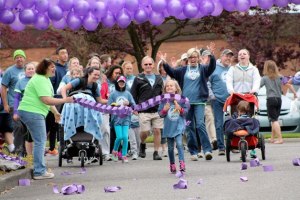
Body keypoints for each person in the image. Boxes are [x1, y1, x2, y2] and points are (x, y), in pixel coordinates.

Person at [18, 58, 73, 180]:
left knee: (39, 140)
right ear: (44, 68)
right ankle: (39, 171)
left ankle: (39, 168)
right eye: (51, 67)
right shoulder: (40, 79)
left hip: (34, 111)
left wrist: (55, 113)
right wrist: (65, 100)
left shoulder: (45, 80)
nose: (54, 69)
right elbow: (46, 100)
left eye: (54, 66)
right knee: (40, 140)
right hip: (32, 111)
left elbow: (48, 101)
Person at [160, 46, 216, 161]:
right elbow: (172, 72)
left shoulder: (203, 69)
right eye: (191, 57)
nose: (193, 59)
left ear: (198, 58)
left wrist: (212, 56)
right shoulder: (183, 70)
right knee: (189, 126)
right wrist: (165, 63)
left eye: (195, 57)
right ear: (188, 59)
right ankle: (193, 152)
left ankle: (207, 150)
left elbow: (212, 67)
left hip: (199, 102)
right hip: (186, 103)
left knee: (200, 124)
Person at [226, 49, 261, 158]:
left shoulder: (253, 69)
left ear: (248, 56)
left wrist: (254, 90)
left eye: (244, 54)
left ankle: (253, 146)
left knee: (252, 119)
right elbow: (228, 80)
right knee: (235, 118)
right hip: (236, 98)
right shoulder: (233, 69)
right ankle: (236, 141)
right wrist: (231, 90)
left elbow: (257, 81)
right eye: (240, 54)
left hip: (249, 97)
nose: (242, 55)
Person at [131, 56, 164, 160]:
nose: (148, 66)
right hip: (143, 110)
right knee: (145, 132)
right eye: (146, 64)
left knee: (157, 131)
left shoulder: (159, 78)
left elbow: (163, 93)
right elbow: (133, 94)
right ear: (142, 66)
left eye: (150, 64)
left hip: (157, 110)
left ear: (153, 65)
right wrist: (134, 108)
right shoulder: (138, 78)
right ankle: (142, 143)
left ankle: (156, 152)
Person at [158, 79, 189, 173]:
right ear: (165, 89)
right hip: (168, 127)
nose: (169, 87)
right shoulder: (163, 100)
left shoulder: (181, 99)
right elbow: (160, 114)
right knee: (170, 148)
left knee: (179, 144)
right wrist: (165, 109)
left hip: (179, 126)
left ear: (176, 88)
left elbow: (185, 113)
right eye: (167, 86)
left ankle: (182, 163)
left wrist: (180, 109)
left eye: (171, 85)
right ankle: (172, 164)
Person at [1, 49, 26, 154]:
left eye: (21, 57)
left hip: (28, 104)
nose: (19, 59)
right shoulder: (9, 71)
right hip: (13, 104)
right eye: (17, 57)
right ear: (14, 59)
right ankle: (19, 151)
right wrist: (5, 104)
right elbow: (3, 88)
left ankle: (25, 150)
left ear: (24, 58)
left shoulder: (28, 69)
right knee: (18, 127)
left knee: (26, 127)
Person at [209, 49, 234, 156]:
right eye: (226, 56)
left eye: (230, 57)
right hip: (217, 100)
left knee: (233, 123)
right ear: (221, 56)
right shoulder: (214, 68)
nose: (228, 58)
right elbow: (207, 83)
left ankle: (233, 145)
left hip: (231, 101)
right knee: (219, 124)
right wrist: (212, 96)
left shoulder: (232, 69)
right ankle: (221, 147)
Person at [108, 76, 136, 163]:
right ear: (117, 83)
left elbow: (133, 104)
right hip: (117, 119)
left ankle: (124, 155)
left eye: (123, 82)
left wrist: (129, 103)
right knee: (119, 137)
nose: (121, 84)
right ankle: (114, 151)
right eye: (120, 82)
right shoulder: (113, 94)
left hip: (126, 118)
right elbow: (109, 106)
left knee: (125, 137)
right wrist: (115, 105)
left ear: (125, 83)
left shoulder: (128, 94)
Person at [47, 47, 69, 155]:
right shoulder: (55, 69)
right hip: (56, 99)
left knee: (65, 123)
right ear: (58, 56)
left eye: (66, 53)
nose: (65, 55)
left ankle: (65, 145)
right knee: (54, 124)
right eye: (62, 53)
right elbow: (51, 84)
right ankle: (52, 147)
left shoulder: (69, 68)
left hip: (68, 100)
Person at [13, 62, 37, 156]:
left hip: (37, 111)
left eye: (32, 69)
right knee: (25, 133)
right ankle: (24, 154)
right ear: (25, 71)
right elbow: (16, 98)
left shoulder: (38, 81)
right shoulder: (21, 82)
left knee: (36, 134)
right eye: (29, 69)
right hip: (24, 110)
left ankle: (36, 156)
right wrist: (15, 112)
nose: (31, 70)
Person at [260, 60, 283, 144]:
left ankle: (280, 139)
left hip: (271, 99)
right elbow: (286, 84)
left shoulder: (265, 78)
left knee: (274, 120)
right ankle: (272, 138)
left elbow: (258, 86)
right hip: (279, 99)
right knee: (274, 119)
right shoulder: (280, 77)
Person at [122, 61, 140, 160]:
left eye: (130, 68)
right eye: (127, 68)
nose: (129, 70)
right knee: (129, 129)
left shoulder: (136, 79)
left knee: (137, 129)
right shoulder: (121, 80)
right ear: (123, 69)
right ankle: (133, 151)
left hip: (135, 106)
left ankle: (137, 149)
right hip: (125, 108)